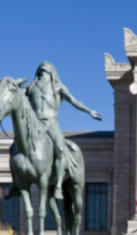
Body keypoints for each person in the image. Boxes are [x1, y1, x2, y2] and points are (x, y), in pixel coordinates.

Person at [16, 61, 101, 200]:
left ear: (51, 73)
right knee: (14, 148)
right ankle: (16, 185)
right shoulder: (31, 87)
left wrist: (89, 111)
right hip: (35, 124)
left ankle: (59, 186)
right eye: (41, 72)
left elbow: (73, 100)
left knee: (60, 149)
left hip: (51, 123)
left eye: (45, 72)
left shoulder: (58, 87)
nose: (43, 74)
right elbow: (12, 95)